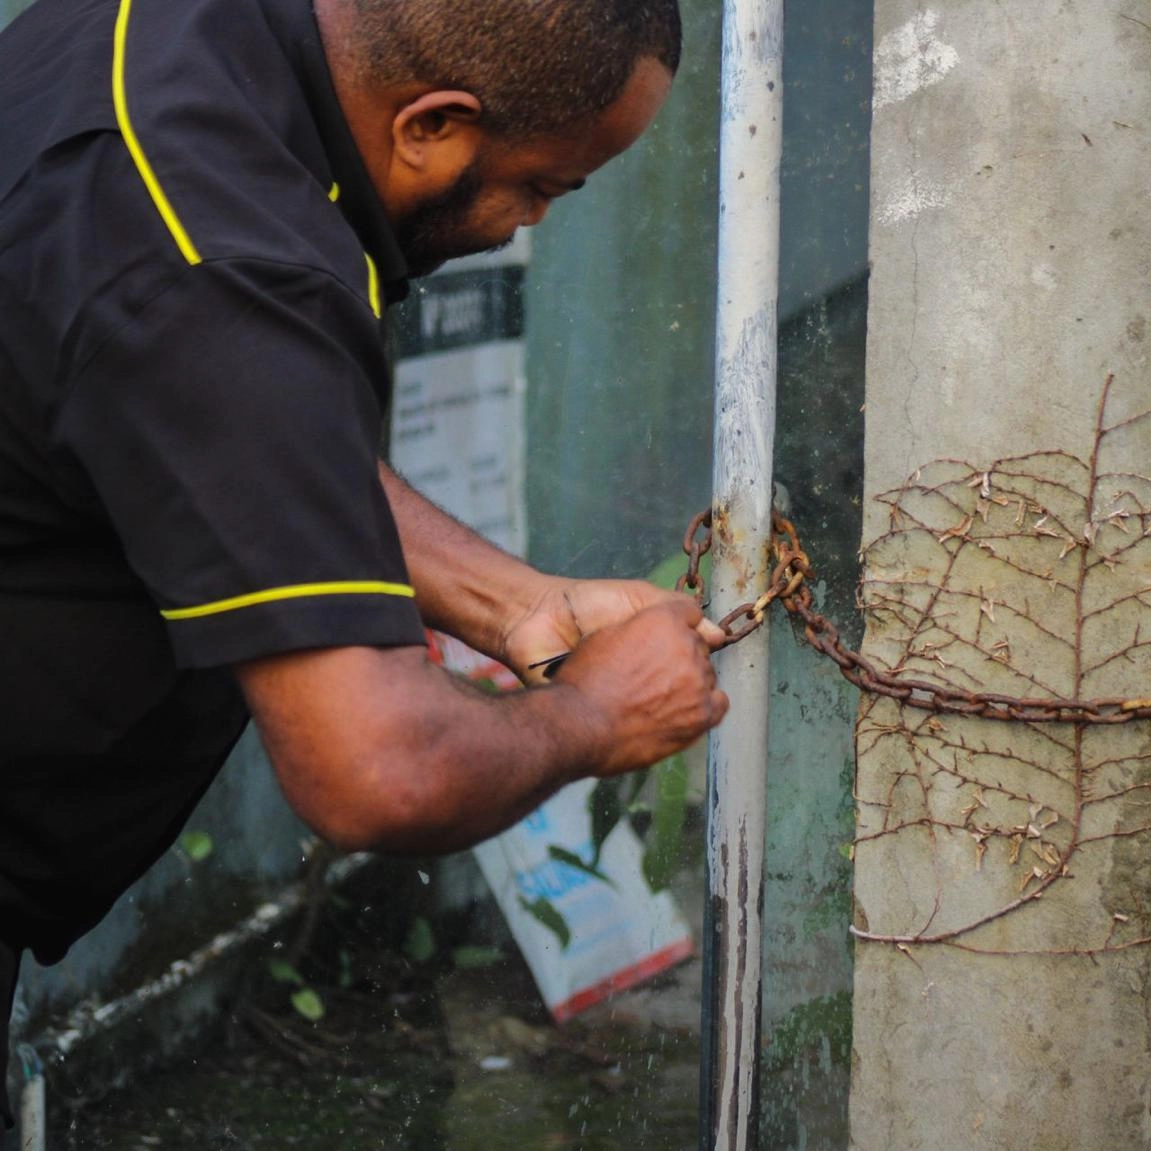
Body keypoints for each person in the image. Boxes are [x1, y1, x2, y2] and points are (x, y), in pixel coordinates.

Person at [0, 0, 728, 1128]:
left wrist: (521, 603)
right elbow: (376, 766)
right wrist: (593, 715)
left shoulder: (185, 41)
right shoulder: (228, 259)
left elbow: (243, 434)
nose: (524, 223)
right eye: (540, 186)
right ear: (432, 124)